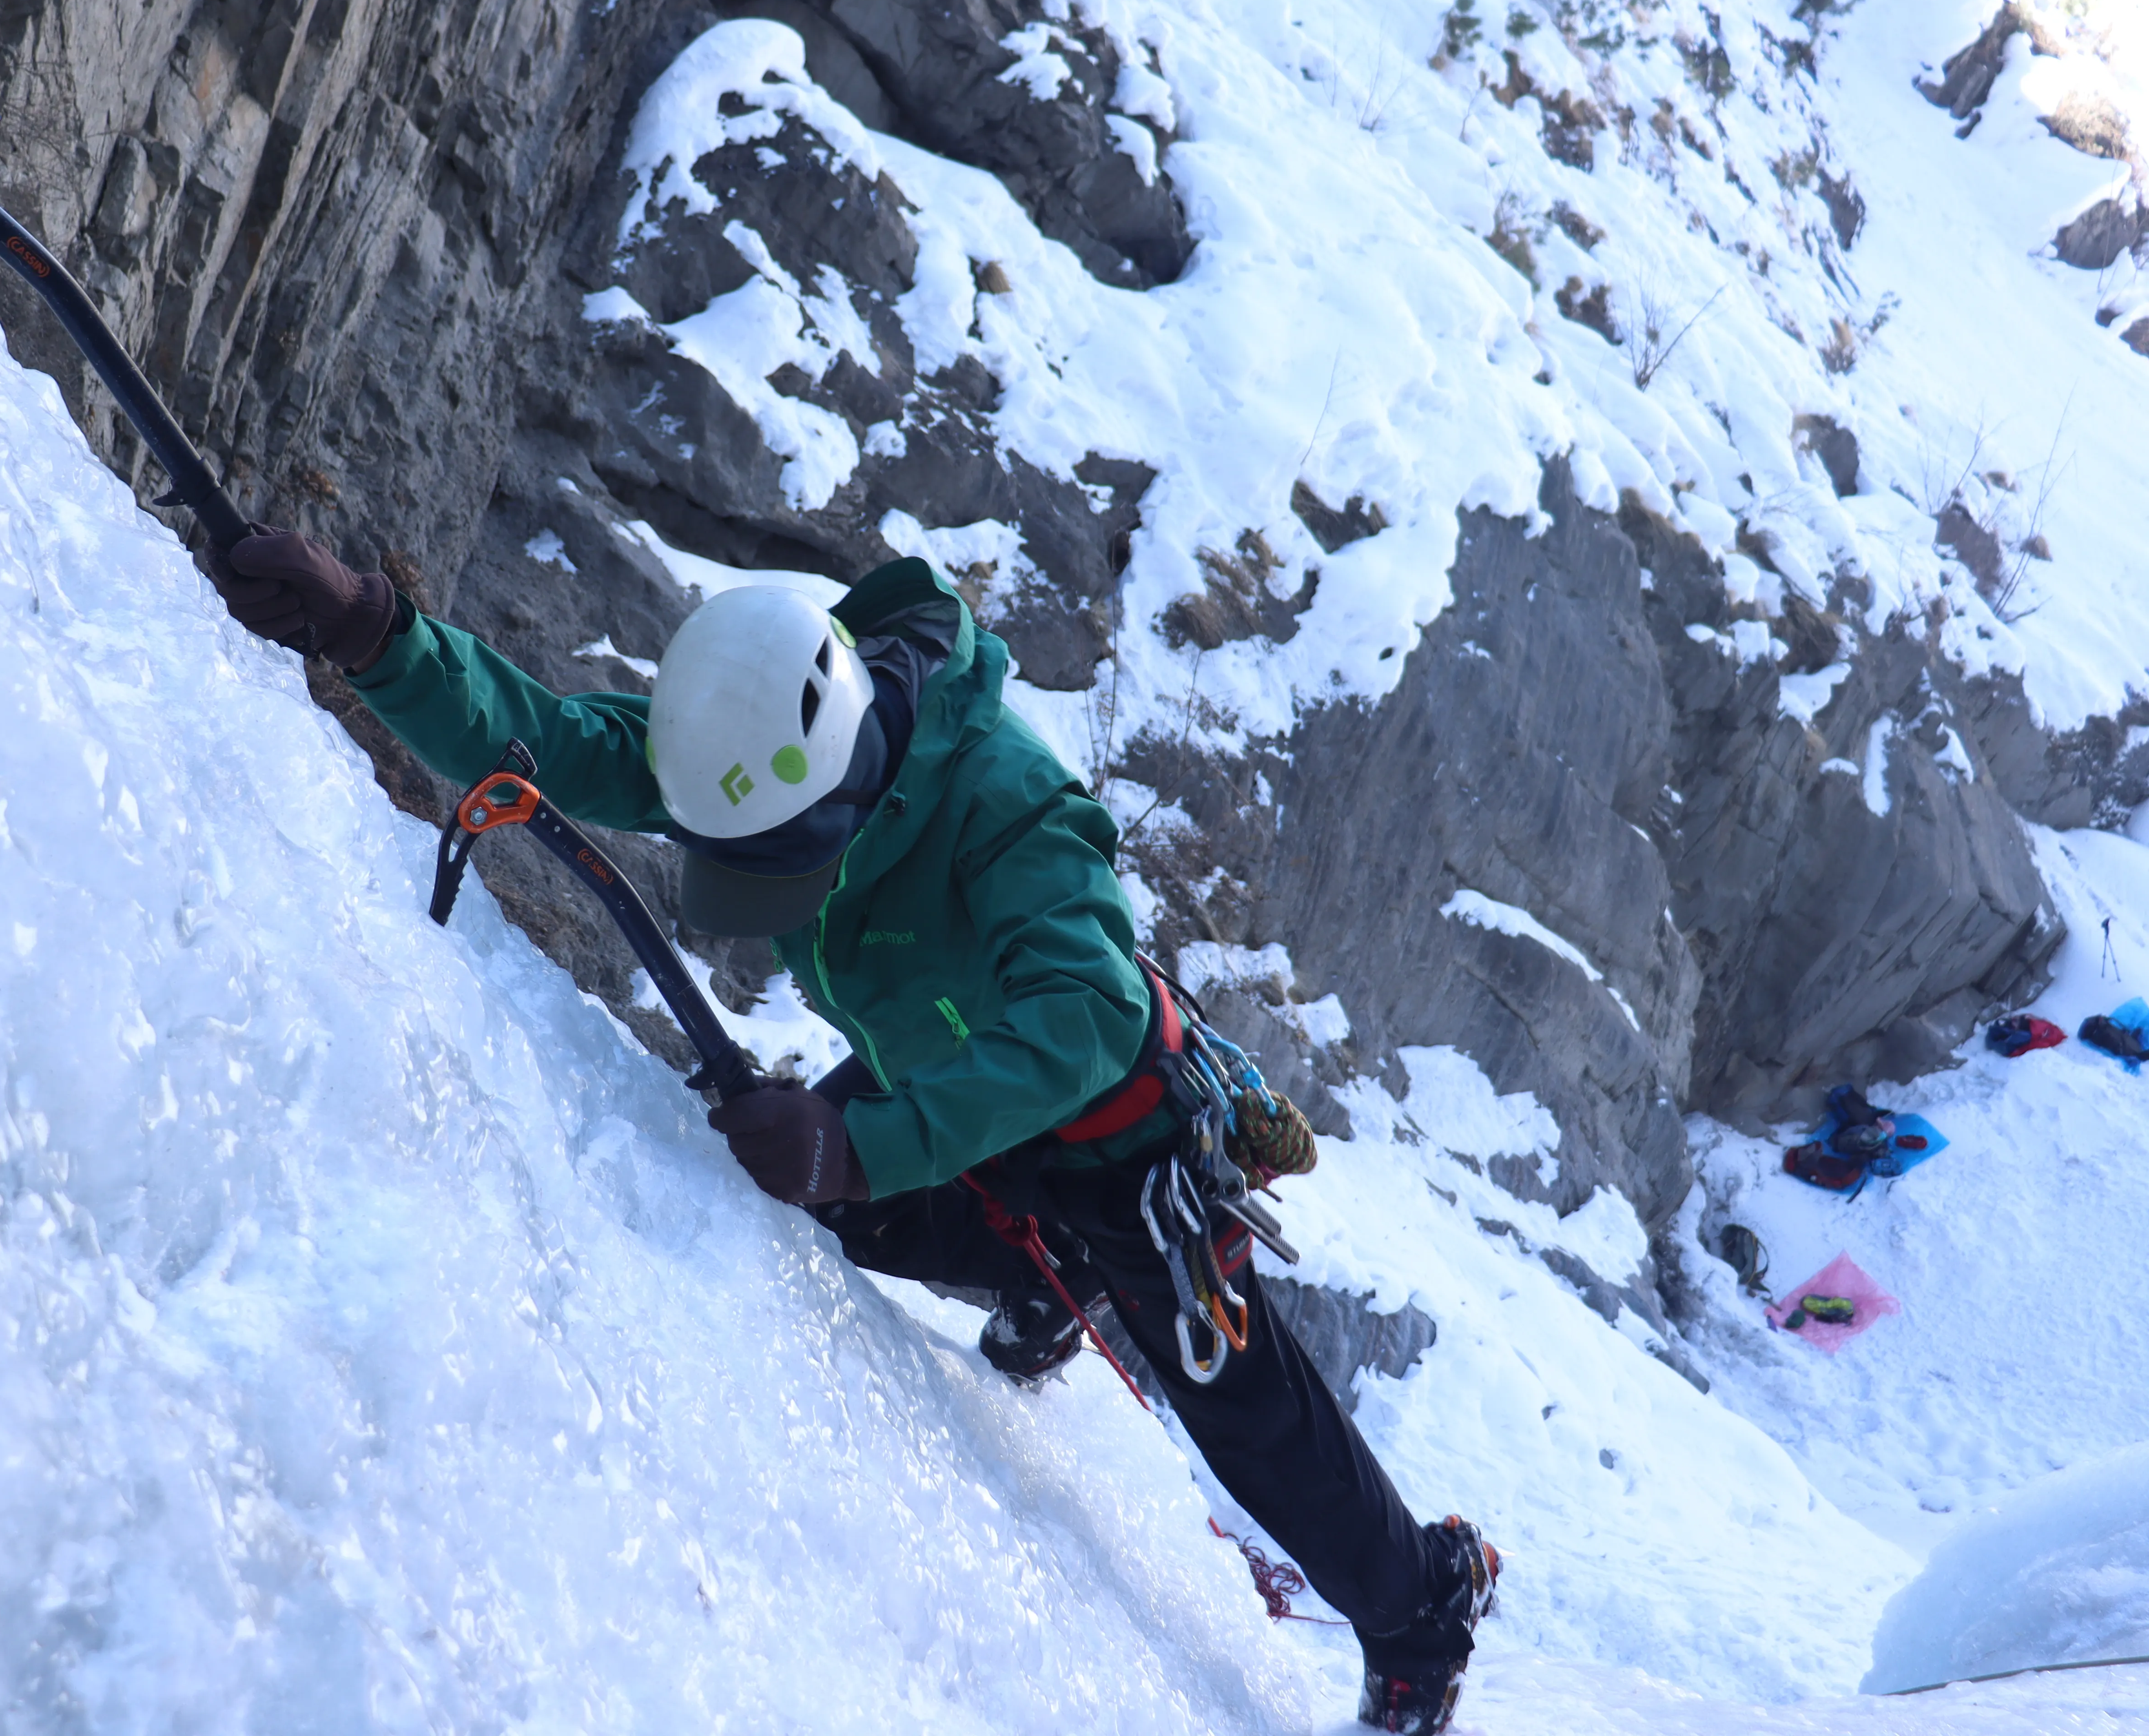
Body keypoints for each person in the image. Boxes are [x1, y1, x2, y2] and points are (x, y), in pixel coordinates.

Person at [207, 529, 1499, 1732]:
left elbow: (1088, 1018)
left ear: (842, 791)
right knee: (824, 1195)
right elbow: (562, 746)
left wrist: (865, 1143)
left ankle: (1423, 1610)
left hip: (1122, 1140)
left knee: (1240, 1411)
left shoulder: (1008, 807)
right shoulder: (758, 735)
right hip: (949, 1089)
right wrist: (378, 635)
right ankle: (1040, 1279)